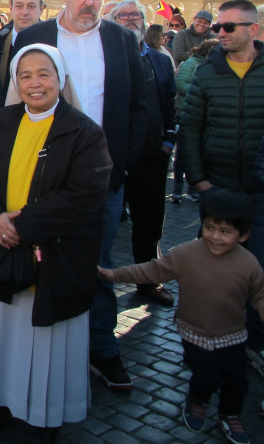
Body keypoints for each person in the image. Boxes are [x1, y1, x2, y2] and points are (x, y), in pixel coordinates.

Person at [0, 45, 110, 441]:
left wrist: (22, 227)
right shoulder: (0, 122)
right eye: (24, 75)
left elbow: (84, 195)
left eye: (44, 74)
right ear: (15, 82)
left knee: (46, 341)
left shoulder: (84, 132)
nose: (34, 83)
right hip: (2, 249)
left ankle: (42, 416)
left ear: (60, 79)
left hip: (54, 259)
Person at [13, 0, 145, 392]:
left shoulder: (122, 40)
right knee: (39, 260)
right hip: (41, 175)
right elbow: (12, 105)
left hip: (103, 178)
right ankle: (35, 348)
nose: (90, 2)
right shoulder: (34, 38)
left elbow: (139, 107)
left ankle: (102, 348)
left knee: (100, 262)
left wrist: (123, 163)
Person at [100, 190, 263, 444]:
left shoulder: (249, 264)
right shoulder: (186, 254)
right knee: (206, 376)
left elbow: (259, 296)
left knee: (237, 381)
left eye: (225, 231)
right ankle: (197, 400)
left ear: (243, 235)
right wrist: (115, 275)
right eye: (209, 227)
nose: (215, 237)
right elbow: (151, 270)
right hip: (194, 332)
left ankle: (230, 415)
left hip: (233, 336)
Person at [179, 0, 264, 370]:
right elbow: (191, 129)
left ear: (254, 30)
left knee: (258, 269)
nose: (221, 33)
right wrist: (200, 182)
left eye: (229, 27)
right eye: (218, 27)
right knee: (213, 271)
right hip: (219, 189)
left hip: (260, 193)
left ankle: (253, 342)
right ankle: (206, 341)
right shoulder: (206, 72)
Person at [110, 0, 176, 308]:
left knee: (149, 223)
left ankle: (149, 280)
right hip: (113, 157)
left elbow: (169, 104)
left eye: (135, 16)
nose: (130, 20)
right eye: (122, 16)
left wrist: (168, 142)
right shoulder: (105, 57)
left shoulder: (161, 60)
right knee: (104, 224)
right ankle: (95, 280)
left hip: (152, 155)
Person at [171, 38, 220, 203]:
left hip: (205, 115)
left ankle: (193, 189)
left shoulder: (218, 66)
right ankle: (178, 189)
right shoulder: (193, 62)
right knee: (183, 153)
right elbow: (180, 82)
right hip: (184, 112)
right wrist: (200, 92)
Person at [0, 0, 45, 91]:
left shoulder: (53, 43)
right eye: (19, 6)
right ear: (11, 8)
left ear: (42, 9)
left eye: (31, 6)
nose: (25, 12)